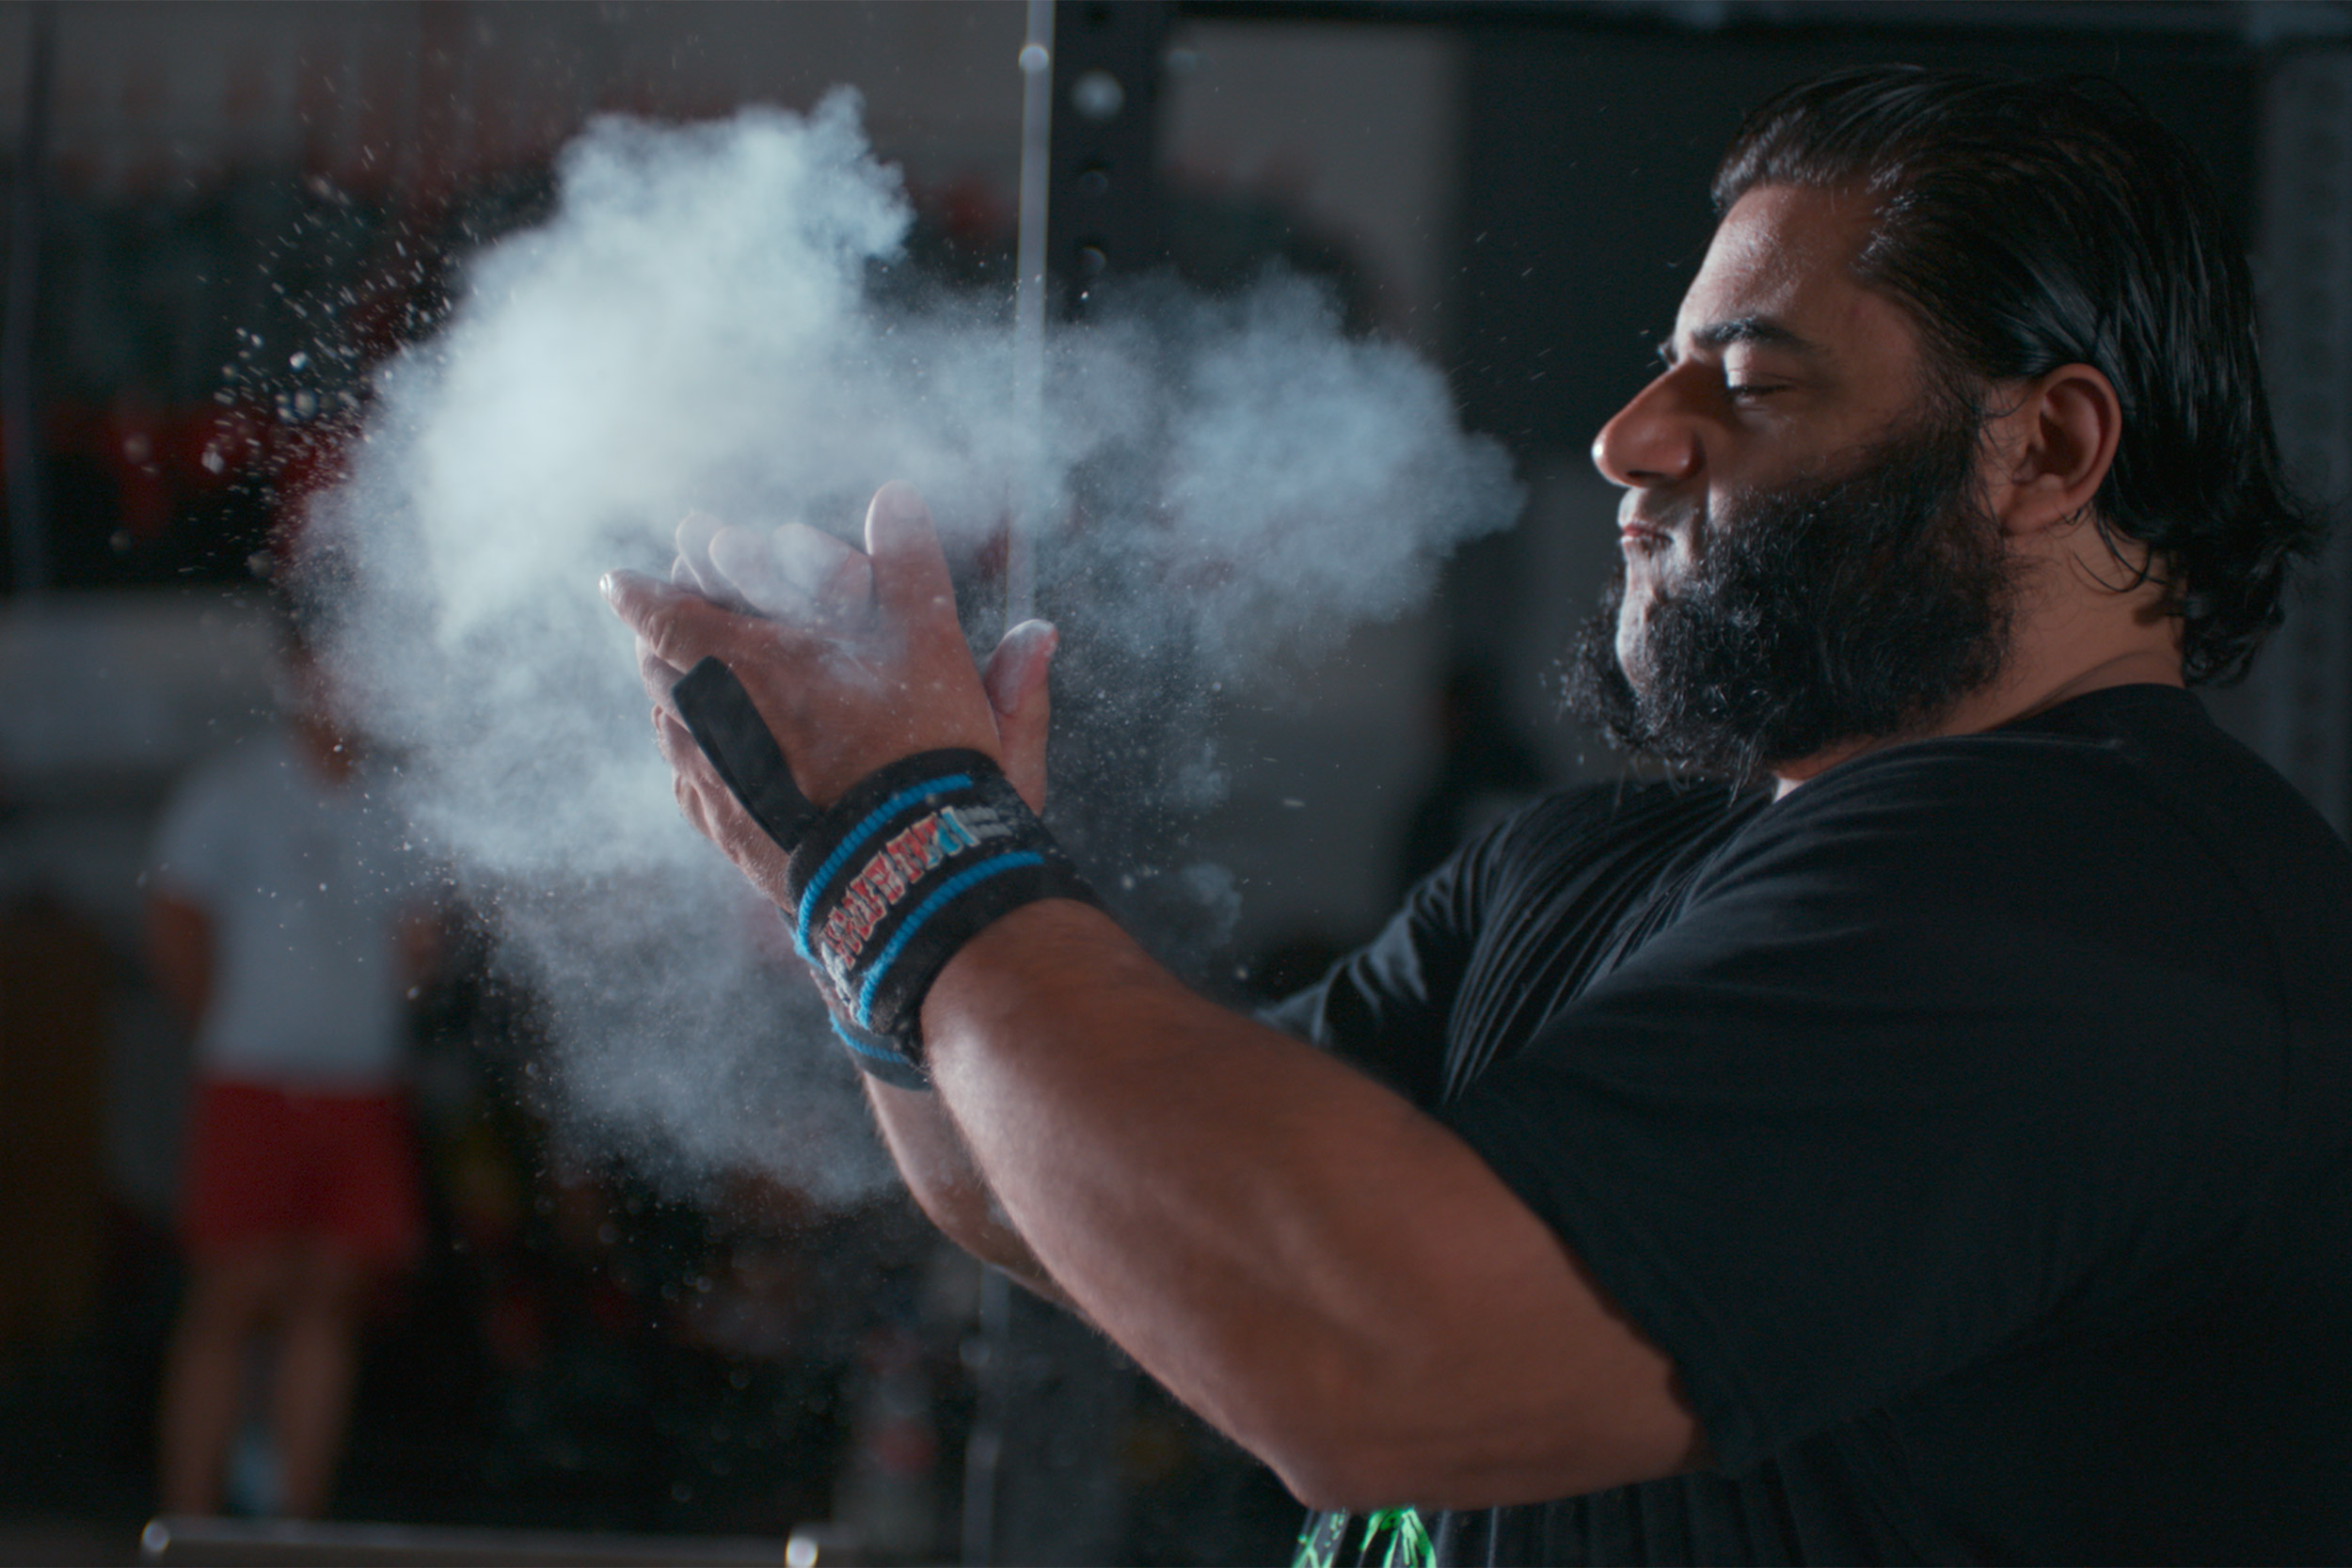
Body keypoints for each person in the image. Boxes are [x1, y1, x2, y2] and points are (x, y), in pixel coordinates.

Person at [605, 68, 2352, 1564]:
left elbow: (1370, 1359)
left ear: (2044, 451)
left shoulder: (2095, 909)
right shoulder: (1601, 869)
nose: (1624, 439)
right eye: (1663, 366)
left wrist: (914, 848)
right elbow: (1090, 1202)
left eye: (1746, 384)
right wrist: (857, 874)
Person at [148, 613, 434, 1519]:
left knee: (330, 1301)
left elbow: (420, 951)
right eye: (330, 669)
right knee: (233, 1294)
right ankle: (191, 1523)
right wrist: (230, 1025)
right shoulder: (234, 792)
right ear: (298, 675)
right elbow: (174, 922)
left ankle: (290, 1528)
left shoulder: (396, 804)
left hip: (358, 1080)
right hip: (253, 1076)